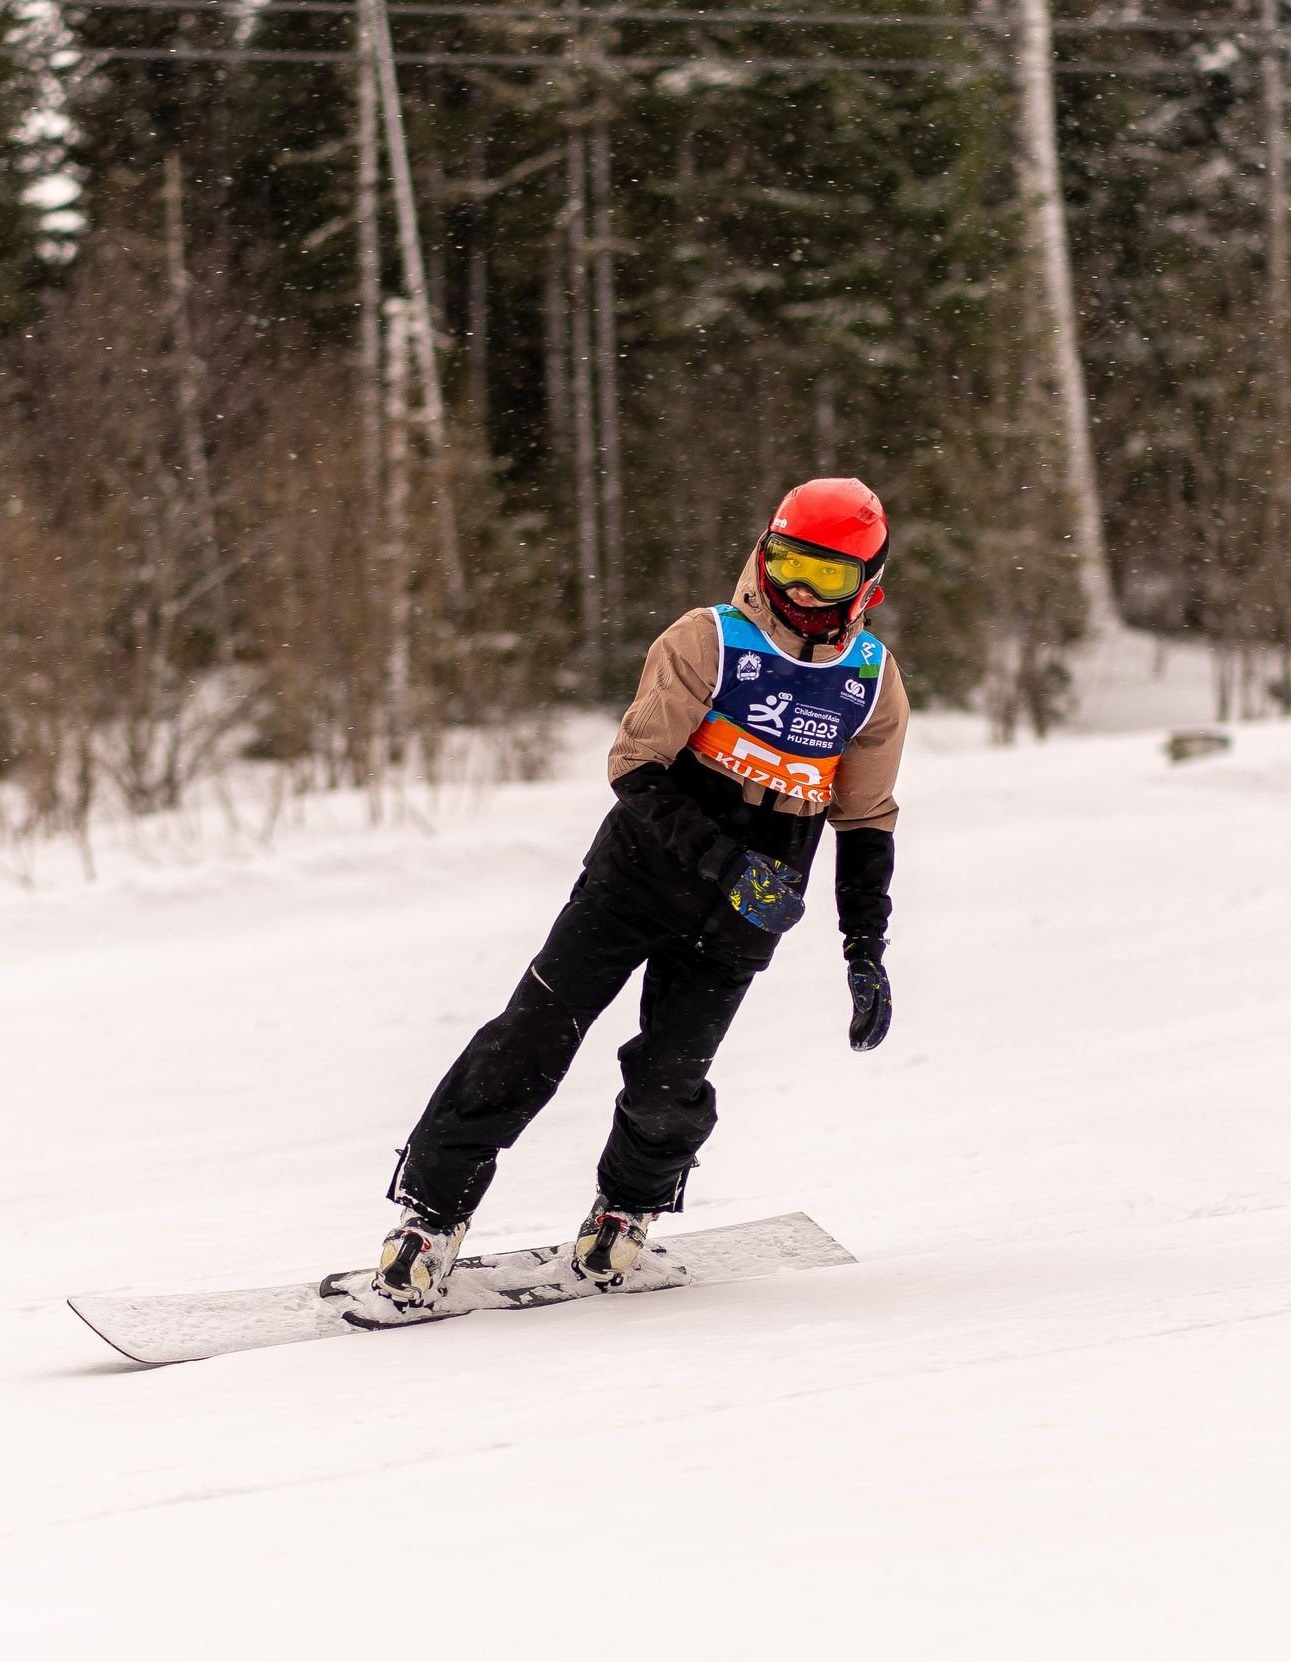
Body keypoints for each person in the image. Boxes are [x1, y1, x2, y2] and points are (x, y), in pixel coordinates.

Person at [365, 477, 910, 1308]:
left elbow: (866, 818)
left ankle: (623, 1220)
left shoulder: (870, 681)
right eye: (790, 563)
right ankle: (427, 1222)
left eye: (827, 576)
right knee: (529, 1039)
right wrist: (727, 863)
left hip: (744, 916)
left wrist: (863, 949)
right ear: (765, 555)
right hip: (637, 877)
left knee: (669, 1080)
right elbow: (635, 768)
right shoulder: (708, 641)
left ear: (866, 586)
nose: (800, 590)